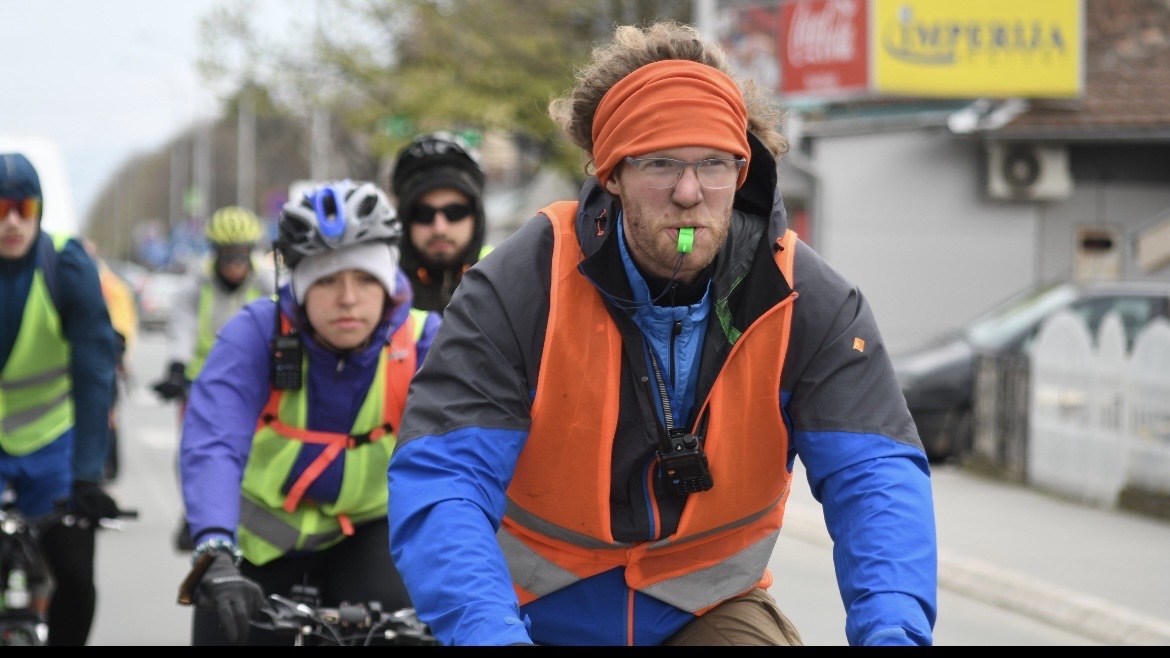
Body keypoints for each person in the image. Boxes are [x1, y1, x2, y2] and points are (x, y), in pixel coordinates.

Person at [387, 21, 937, 647]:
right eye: (660, 164)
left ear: (743, 170)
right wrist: (490, 635)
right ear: (611, 174)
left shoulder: (810, 300)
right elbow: (446, 480)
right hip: (532, 610)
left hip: (703, 608)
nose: (689, 192)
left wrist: (894, 634)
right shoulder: (520, 285)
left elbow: (876, 479)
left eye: (714, 163)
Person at [175, 179, 441, 646]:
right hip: (259, 542)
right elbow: (214, 441)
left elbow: (466, 456)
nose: (348, 298)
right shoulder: (256, 332)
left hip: (367, 534)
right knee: (226, 625)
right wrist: (214, 547)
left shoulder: (424, 340)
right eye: (327, 280)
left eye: (365, 278)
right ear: (297, 285)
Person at [0, 152, 124, 645]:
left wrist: (88, 475)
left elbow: (94, 375)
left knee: (75, 576)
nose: (11, 222)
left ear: (40, 210)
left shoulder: (67, 265)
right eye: (0, 209)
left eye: (23, 209)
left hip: (54, 444)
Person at [152, 205, 276, 549]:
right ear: (215, 254)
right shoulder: (195, 286)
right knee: (193, 449)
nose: (236, 264)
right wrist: (177, 368)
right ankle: (194, 510)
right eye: (228, 255)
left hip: (255, 381)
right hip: (203, 384)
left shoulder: (269, 282)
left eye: (242, 255)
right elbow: (182, 328)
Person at [388, 131, 491, 313]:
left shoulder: (506, 278)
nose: (439, 228)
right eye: (423, 214)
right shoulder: (380, 289)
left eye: (454, 212)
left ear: (476, 216)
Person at [83, 240, 139, 481]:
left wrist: (118, 354)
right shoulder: (74, 279)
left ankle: (106, 466)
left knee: (106, 414)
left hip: (108, 361)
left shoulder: (112, 286)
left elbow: (124, 325)